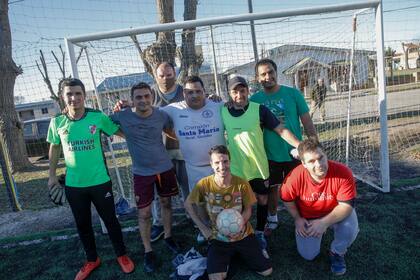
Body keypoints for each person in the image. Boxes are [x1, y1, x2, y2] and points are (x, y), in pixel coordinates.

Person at [47, 78, 134, 280]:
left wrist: (141, 136)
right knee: (82, 224)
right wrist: (51, 176)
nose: (74, 98)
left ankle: (122, 256)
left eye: (78, 93)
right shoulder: (57, 122)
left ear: (84, 96)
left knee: (111, 221)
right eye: (69, 94)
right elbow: (54, 148)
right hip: (74, 186)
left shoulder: (97, 117)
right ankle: (92, 259)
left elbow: (121, 132)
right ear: (63, 96)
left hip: (100, 181)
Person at [222, 75, 301, 250]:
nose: (239, 95)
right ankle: (239, 233)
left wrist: (299, 145)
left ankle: (259, 232)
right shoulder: (223, 112)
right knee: (238, 202)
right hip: (236, 168)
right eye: (235, 91)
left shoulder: (259, 110)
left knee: (262, 198)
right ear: (229, 93)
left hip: (258, 166)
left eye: (243, 91)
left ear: (247, 91)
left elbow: (280, 129)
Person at [110, 82, 179, 273]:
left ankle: (168, 236)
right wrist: (123, 133)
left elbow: (171, 131)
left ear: (152, 97)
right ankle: (148, 250)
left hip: (164, 168)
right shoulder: (122, 116)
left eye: (146, 96)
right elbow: (102, 122)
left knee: (166, 203)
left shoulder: (161, 115)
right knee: (144, 213)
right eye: (138, 97)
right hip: (141, 173)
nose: (143, 100)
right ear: (132, 100)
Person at [250, 58, 317, 235]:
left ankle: (304, 216)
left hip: (294, 153)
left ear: (276, 72)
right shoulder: (254, 100)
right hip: (268, 154)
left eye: (271, 72)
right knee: (272, 188)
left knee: (300, 187)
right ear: (258, 78)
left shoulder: (293, 94)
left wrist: (314, 144)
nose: (268, 76)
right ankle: (272, 218)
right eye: (263, 74)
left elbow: (307, 121)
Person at [184, 145, 272, 280]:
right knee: (216, 278)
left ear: (229, 162)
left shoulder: (241, 183)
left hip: (243, 235)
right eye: (217, 163)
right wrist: (204, 229)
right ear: (211, 164)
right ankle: (231, 256)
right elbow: (188, 205)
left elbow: (248, 209)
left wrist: (240, 223)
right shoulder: (204, 184)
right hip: (218, 238)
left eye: (225, 161)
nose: (222, 166)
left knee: (267, 271)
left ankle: (241, 252)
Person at [280, 139, 359, 276]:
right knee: (308, 255)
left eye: (321, 158)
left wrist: (323, 223)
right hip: (309, 216)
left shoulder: (343, 172)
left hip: (335, 212)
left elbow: (347, 206)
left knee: (350, 229)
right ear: (303, 164)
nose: (319, 164)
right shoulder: (294, 177)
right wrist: (297, 218)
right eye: (311, 161)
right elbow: (287, 199)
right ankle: (315, 231)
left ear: (326, 155)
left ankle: (337, 252)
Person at [149, 62, 189, 243]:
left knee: (188, 188)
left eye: (169, 74)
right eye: (162, 75)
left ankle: (193, 216)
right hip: (160, 153)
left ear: (175, 74)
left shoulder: (185, 91)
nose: (166, 78)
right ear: (155, 76)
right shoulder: (149, 94)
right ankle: (159, 223)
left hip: (185, 150)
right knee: (160, 194)